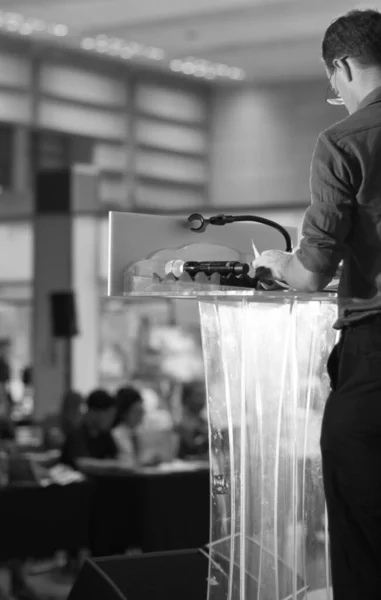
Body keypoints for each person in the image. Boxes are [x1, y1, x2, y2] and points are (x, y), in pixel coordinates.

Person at [252, 9, 381, 599]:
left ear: (342, 66)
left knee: (358, 530)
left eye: (334, 83)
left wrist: (276, 265)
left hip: (373, 355)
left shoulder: (345, 140)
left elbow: (309, 274)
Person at [61, 389, 117, 471]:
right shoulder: (77, 433)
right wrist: (115, 464)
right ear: (93, 412)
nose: (112, 419)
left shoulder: (105, 435)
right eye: (109, 415)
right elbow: (82, 462)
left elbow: (115, 458)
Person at [112, 386, 144, 466]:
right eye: (136, 411)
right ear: (124, 412)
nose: (140, 415)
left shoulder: (138, 432)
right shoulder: (115, 435)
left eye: (141, 411)